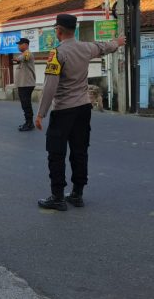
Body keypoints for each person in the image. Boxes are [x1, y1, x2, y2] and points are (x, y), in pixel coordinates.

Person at [35, 14, 125, 211]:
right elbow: (104, 47)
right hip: (83, 109)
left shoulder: (57, 53)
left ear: (58, 30)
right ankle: (77, 193)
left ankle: (57, 197)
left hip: (64, 110)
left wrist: (41, 113)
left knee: (56, 154)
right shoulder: (86, 48)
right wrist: (117, 42)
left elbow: (50, 86)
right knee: (79, 151)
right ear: (74, 30)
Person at [13, 38, 36, 131]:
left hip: (26, 84)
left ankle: (29, 123)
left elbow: (22, 58)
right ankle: (28, 122)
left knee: (26, 104)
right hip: (24, 84)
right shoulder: (25, 54)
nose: (18, 46)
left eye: (20, 44)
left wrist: (17, 59)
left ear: (25, 45)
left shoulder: (27, 53)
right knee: (25, 104)